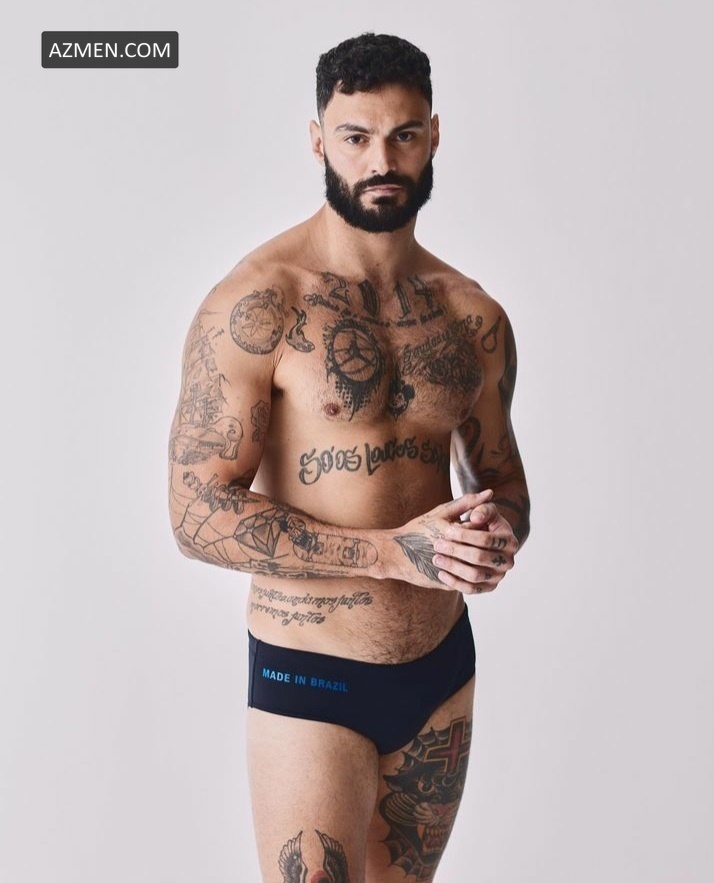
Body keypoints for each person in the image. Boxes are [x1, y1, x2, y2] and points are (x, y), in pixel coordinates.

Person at [168, 32, 530, 883]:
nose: (381, 160)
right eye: (356, 136)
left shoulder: (472, 316)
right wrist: (388, 553)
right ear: (318, 140)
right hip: (311, 676)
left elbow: (504, 481)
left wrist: (497, 535)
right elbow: (193, 511)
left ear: (434, 136)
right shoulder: (259, 303)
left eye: (403, 135)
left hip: (441, 672)